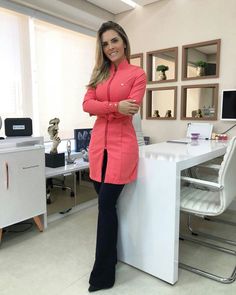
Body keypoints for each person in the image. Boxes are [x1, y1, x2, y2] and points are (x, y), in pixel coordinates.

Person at [83, 21, 146, 292]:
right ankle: (113, 257)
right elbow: (86, 105)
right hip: (99, 148)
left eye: (114, 41)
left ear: (124, 41)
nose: (110, 47)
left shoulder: (137, 73)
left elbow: (130, 109)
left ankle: (103, 272)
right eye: (105, 43)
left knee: (106, 205)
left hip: (122, 147)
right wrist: (113, 106)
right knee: (107, 207)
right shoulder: (98, 73)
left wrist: (105, 108)